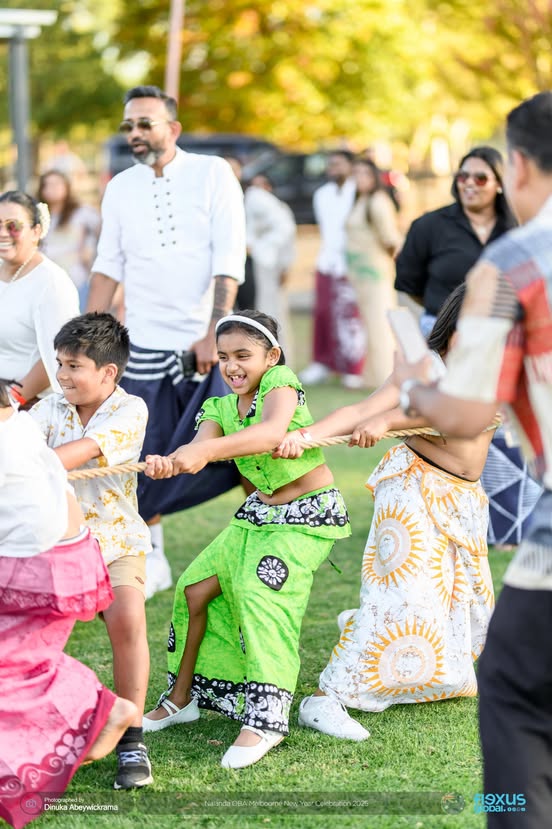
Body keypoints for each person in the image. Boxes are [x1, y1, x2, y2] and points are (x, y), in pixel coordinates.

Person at [392, 91, 552, 829]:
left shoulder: (514, 263)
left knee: (512, 691)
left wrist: (415, 374)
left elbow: (461, 412)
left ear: (518, 164)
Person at [274, 285, 495, 737]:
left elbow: (457, 416)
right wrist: (309, 435)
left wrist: (391, 422)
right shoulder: (422, 366)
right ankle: (329, 697)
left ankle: (362, 624)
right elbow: (362, 409)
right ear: (452, 324)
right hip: (412, 487)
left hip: (463, 498)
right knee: (403, 597)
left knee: (464, 619)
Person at [141, 310, 351, 769]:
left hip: (308, 515)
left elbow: (271, 432)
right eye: (223, 357)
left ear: (271, 356)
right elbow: (200, 445)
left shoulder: (281, 382)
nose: (232, 366)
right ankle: (184, 698)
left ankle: (266, 719)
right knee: (193, 588)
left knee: (259, 595)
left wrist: (204, 451)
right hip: (259, 513)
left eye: (243, 355)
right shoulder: (218, 406)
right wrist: (172, 461)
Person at [86, 85, 246, 599]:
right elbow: (109, 264)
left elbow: (229, 255)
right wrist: (89, 336)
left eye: (144, 124)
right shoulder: (120, 188)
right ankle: (151, 556)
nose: (134, 134)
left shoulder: (212, 173)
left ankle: (270, 542)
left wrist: (213, 334)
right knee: (143, 455)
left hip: (204, 346)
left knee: (238, 451)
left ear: (172, 129)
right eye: (128, 126)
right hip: (144, 344)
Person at [0, 379, 137, 829]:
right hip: (50, 546)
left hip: (38, 555)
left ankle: (104, 707)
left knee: (12, 665)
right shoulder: (18, 421)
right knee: (17, 662)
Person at [28, 313, 153, 791]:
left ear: (108, 373)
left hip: (117, 540)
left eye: (73, 365)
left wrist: (23, 462)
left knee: (127, 621)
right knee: (38, 640)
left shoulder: (130, 409)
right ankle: (40, 733)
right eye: (59, 364)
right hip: (57, 543)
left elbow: (75, 454)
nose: (61, 375)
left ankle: (133, 738)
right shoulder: (49, 408)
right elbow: (19, 441)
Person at [395, 149, 539, 550]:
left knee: (503, 440)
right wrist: (447, 319)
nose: (469, 184)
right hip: (445, 337)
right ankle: (457, 523)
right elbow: (406, 278)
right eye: (463, 176)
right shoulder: (430, 226)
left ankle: (511, 529)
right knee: (454, 432)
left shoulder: (519, 229)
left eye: (479, 177)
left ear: (498, 183)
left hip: (502, 343)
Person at [0, 192, 79, 408]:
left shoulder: (51, 282)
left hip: (28, 405)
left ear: (36, 231)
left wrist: (9, 403)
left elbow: (59, 356)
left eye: (13, 226)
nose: (3, 233)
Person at [299, 151, 365, 390]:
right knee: (323, 313)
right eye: (330, 164)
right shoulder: (322, 194)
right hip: (327, 261)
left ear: (350, 165)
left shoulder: (359, 191)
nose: (333, 168)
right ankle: (322, 363)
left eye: (338, 164)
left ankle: (352, 367)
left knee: (349, 317)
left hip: (352, 262)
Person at [346, 158, 402, 388]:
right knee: (369, 325)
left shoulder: (378, 202)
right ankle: (372, 376)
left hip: (376, 275)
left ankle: (386, 378)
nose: (360, 179)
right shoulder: (361, 201)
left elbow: (392, 240)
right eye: (356, 173)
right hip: (360, 277)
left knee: (381, 325)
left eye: (365, 174)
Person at [244, 174, 297, 362]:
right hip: (253, 267)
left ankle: (278, 362)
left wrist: (257, 247)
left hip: (264, 266)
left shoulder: (256, 198)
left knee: (269, 315)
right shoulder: (242, 200)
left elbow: (285, 229)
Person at [37, 170, 100, 310]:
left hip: (76, 279)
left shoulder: (82, 212)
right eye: (48, 184)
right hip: (46, 283)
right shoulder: (37, 215)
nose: (52, 188)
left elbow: (103, 233)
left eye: (57, 184)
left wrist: (89, 251)